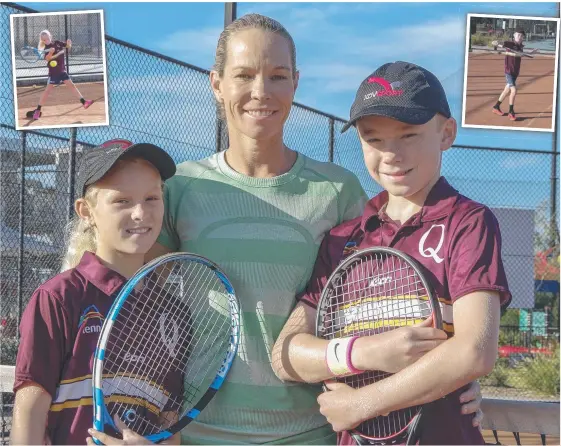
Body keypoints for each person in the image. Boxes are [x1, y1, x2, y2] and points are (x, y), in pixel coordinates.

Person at [143, 14, 483, 445]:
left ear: (296, 83)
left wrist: (448, 374)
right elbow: (133, 301)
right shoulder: (177, 188)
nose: (261, 91)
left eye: (278, 76)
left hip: (313, 434)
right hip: (197, 435)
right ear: (216, 84)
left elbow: (386, 299)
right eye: (244, 75)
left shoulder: (339, 191)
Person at [272, 61, 511, 445]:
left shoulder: (468, 222)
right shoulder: (344, 239)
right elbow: (287, 356)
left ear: (446, 133)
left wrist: (364, 403)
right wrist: (365, 353)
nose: (391, 154)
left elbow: (474, 351)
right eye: (374, 139)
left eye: (409, 134)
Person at [10, 139, 179, 445]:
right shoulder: (59, 297)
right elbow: (29, 411)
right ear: (86, 211)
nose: (140, 212)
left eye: (152, 198)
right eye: (122, 201)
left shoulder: (173, 311)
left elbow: (170, 426)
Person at [30, 30, 94, 121]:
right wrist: (51, 52)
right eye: (44, 40)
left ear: (50, 37)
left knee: (72, 86)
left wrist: (69, 44)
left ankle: (84, 102)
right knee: (47, 91)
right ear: (42, 41)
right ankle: (37, 110)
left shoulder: (58, 43)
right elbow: (47, 59)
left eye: (47, 38)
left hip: (62, 71)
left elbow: (67, 47)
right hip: (53, 73)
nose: (46, 40)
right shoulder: (45, 49)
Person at [491, 28, 538, 121]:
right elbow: (500, 43)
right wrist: (496, 43)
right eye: (518, 35)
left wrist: (531, 53)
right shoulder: (510, 44)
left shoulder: (520, 47)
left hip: (515, 72)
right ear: (514, 36)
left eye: (522, 36)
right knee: (513, 90)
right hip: (509, 71)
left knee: (506, 90)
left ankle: (496, 107)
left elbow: (522, 54)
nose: (520, 37)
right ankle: (511, 112)